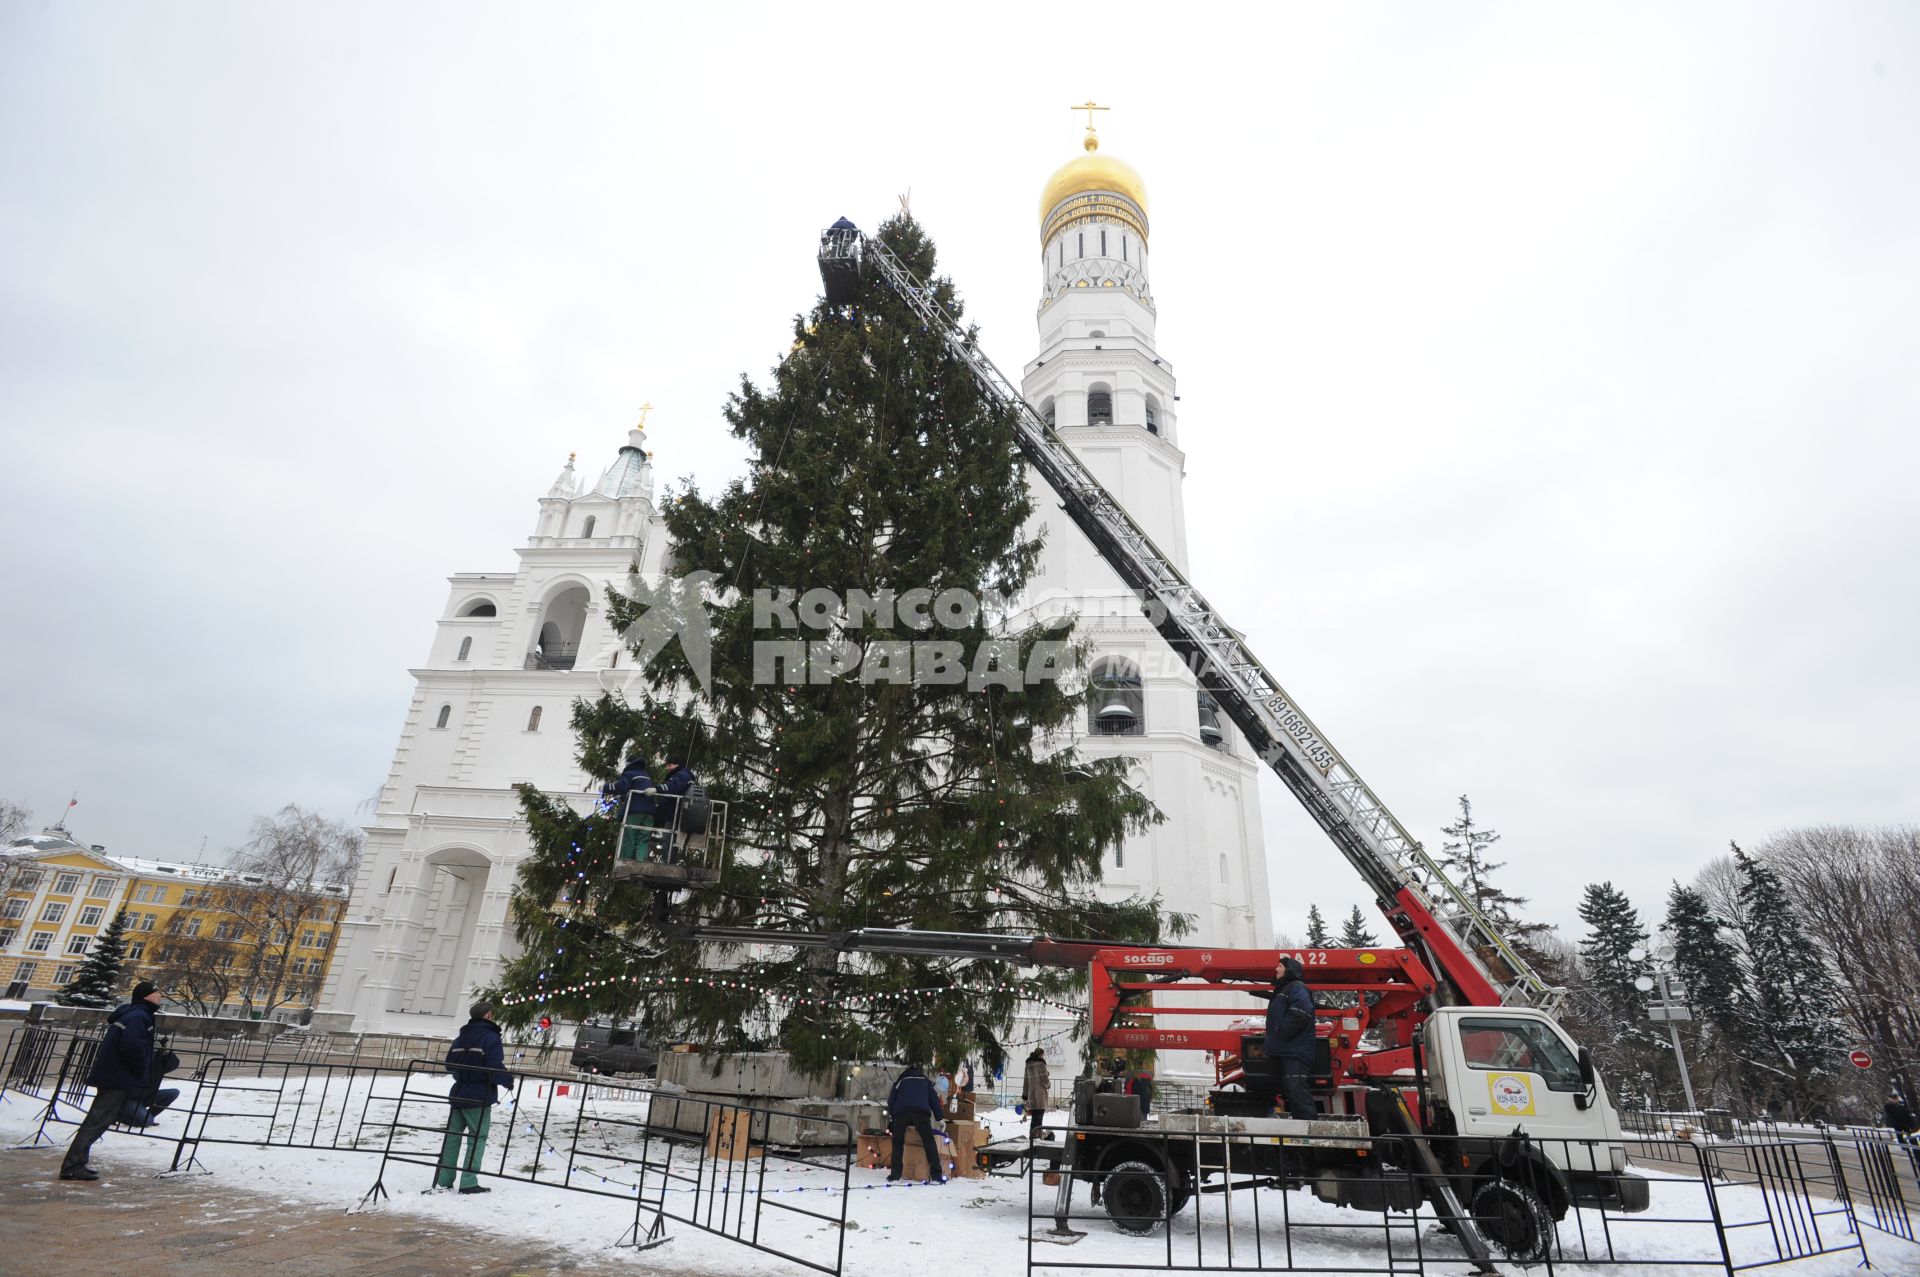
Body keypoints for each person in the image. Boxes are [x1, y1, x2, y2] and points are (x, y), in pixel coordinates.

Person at [60, 980, 162, 1181]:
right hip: (118, 1076)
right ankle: (73, 1165)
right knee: (97, 1121)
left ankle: (76, 1162)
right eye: (157, 993)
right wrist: (141, 1068)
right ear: (146, 996)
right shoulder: (139, 1016)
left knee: (99, 1120)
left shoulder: (134, 1013)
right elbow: (133, 1046)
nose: (160, 996)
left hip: (115, 1075)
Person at [432, 1001, 513, 1194]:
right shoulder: (491, 1037)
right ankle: (468, 1181)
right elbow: (494, 1066)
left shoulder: (460, 1037)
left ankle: (444, 1179)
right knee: (477, 1138)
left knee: (452, 1137)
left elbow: (449, 1064)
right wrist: (507, 1080)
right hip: (479, 1094)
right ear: (488, 1015)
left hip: (459, 1093)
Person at [1250, 956, 1318, 1119]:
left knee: (1297, 1090)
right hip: (1289, 1051)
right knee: (1292, 1091)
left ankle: (1310, 1132)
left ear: (1289, 970)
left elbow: (1301, 1013)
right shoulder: (1285, 990)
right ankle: (1302, 1130)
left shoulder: (1295, 987)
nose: (1276, 969)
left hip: (1295, 1051)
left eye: (1279, 966)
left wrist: (1281, 1032)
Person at [885, 1063, 945, 1184]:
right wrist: (940, 1118)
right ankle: (937, 1176)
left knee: (897, 1143)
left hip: (902, 1113)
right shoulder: (925, 1081)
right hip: (921, 1113)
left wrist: (892, 1116)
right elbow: (933, 1099)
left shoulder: (900, 1081)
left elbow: (891, 1100)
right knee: (929, 1142)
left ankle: (895, 1175)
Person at [605, 753, 659, 867]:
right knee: (643, 839)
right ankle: (640, 863)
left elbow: (622, 786)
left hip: (635, 811)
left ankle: (625, 863)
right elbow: (639, 790)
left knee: (629, 837)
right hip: (649, 812)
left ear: (629, 764)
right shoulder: (646, 775)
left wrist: (605, 787)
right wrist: (623, 797)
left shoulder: (629, 773)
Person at [1022, 1048, 1050, 1140]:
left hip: (1031, 1095)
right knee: (1039, 1119)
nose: (1043, 1056)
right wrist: (1048, 1084)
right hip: (1040, 1095)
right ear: (1040, 1054)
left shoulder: (1028, 1064)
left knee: (1034, 1118)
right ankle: (1036, 1138)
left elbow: (1026, 1080)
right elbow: (1044, 1079)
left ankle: (1032, 1137)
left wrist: (1025, 1094)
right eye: (1043, 1055)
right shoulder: (1041, 1063)